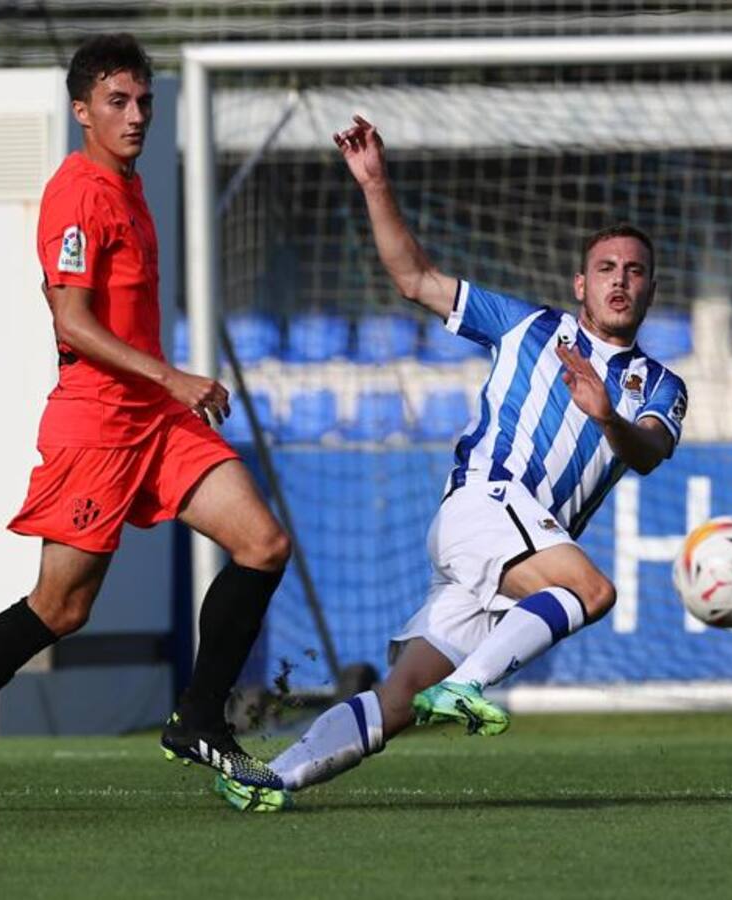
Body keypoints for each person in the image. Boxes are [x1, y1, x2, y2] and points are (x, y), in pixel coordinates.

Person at [215, 115, 687, 812]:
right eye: (606, 269)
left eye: (635, 271)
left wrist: (606, 415)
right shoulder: (528, 327)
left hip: (516, 544)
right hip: (484, 504)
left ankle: (270, 778)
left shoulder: (662, 384)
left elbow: (647, 452)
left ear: (649, 288)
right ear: (580, 285)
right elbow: (415, 278)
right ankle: (468, 686)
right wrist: (375, 184)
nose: (620, 281)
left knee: (400, 698)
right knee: (592, 593)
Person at [0, 34, 292, 812]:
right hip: (98, 423)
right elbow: (72, 321)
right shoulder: (78, 191)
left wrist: (167, 391)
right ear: (81, 111)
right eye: (117, 102)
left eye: (143, 101)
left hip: (157, 419)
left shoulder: (131, 184)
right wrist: (175, 376)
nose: (135, 115)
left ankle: (199, 719)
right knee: (62, 607)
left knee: (262, 543)